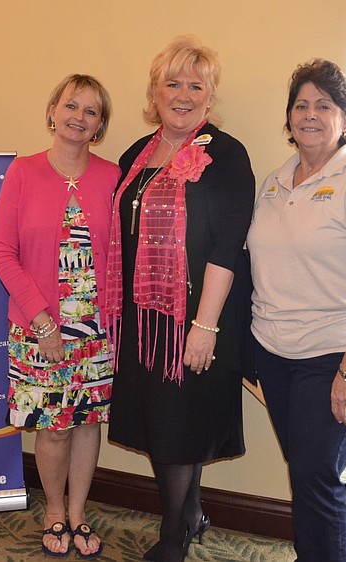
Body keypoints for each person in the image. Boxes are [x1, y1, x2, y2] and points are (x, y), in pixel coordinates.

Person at [247, 59, 346, 562]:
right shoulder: (275, 181)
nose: (310, 115)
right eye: (301, 104)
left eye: (324, 105)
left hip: (337, 354)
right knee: (304, 470)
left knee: (317, 477)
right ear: (289, 116)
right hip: (276, 353)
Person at [105, 36, 255, 562]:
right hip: (144, 322)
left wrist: (205, 325)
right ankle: (190, 515)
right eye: (173, 83)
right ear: (155, 91)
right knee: (165, 424)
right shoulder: (135, 154)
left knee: (178, 424)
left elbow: (227, 244)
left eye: (196, 85)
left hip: (198, 319)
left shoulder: (227, 155)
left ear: (210, 97)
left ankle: (173, 540)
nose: (184, 94)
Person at [0, 73, 119, 560]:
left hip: (95, 327)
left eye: (91, 111)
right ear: (52, 111)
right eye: (71, 105)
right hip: (37, 325)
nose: (78, 117)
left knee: (87, 422)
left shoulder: (112, 176)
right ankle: (54, 511)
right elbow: (3, 252)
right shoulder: (22, 172)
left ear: (100, 124)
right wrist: (43, 323)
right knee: (54, 425)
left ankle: (80, 511)